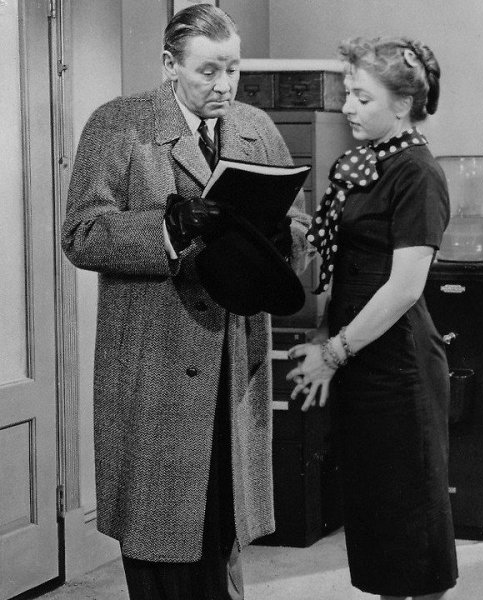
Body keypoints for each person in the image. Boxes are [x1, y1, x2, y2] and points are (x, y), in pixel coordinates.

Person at [61, 5, 310, 600]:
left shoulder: (255, 127)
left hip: (233, 365)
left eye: (233, 69)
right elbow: (82, 234)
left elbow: (297, 220)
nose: (224, 85)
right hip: (154, 367)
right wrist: (167, 229)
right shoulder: (118, 125)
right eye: (208, 71)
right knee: (161, 538)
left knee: (221, 526)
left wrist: (286, 240)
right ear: (169, 65)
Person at [283, 37, 456, 600]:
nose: (347, 108)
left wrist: (333, 353)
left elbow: (404, 288)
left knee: (412, 527)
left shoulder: (417, 173)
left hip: (399, 368)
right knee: (379, 523)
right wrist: (324, 335)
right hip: (361, 358)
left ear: (403, 104)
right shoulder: (361, 164)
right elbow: (345, 266)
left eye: (361, 97)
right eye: (347, 95)